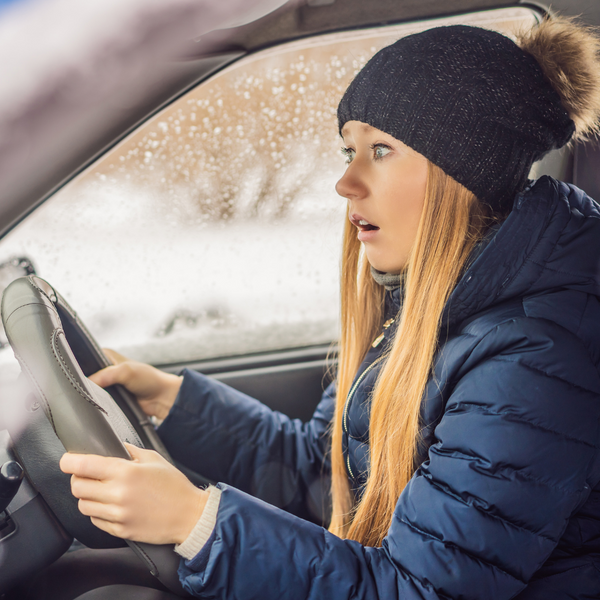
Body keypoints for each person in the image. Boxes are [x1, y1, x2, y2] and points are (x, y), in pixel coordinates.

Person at [58, 15, 600, 600]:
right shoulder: (422, 302)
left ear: (463, 174)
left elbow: (416, 591)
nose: (345, 181)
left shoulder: (534, 360)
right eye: (349, 150)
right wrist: (170, 400)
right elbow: (324, 474)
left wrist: (197, 523)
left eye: (381, 150)